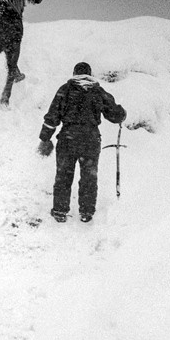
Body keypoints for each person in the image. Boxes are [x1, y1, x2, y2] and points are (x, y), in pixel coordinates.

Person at [37, 62, 127, 223]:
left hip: (67, 139)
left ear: (74, 74)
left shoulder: (65, 90)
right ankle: (86, 212)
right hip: (90, 140)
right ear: (90, 74)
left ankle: (60, 210)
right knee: (89, 177)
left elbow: (52, 116)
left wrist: (45, 138)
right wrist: (122, 114)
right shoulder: (98, 92)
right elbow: (114, 115)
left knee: (63, 175)